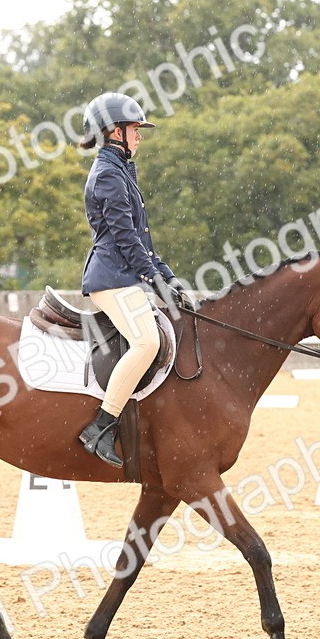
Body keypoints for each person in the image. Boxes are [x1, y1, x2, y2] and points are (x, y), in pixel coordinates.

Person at [76, 92, 184, 468]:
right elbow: (124, 237)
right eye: (135, 129)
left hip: (125, 275)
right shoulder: (108, 174)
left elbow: (142, 239)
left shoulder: (120, 169)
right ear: (114, 131)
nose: (139, 135)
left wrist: (168, 277)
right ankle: (101, 426)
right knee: (146, 342)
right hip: (111, 278)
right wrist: (153, 278)